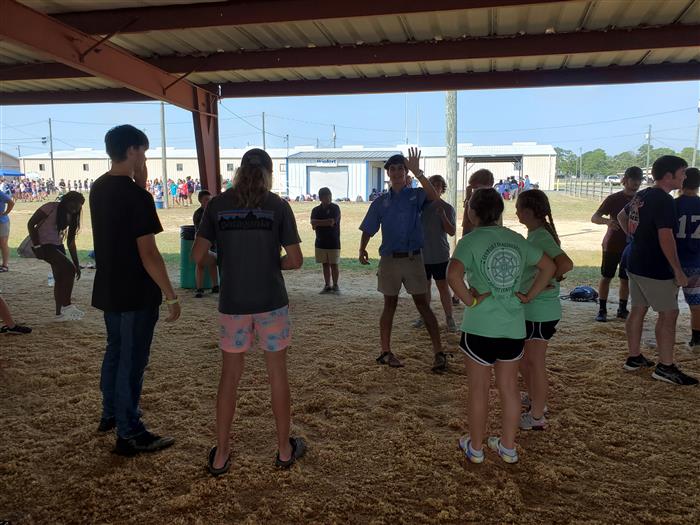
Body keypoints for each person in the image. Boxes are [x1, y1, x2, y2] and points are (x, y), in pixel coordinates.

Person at [193, 148, 306, 476]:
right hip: (271, 301)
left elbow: (198, 255)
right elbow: (295, 260)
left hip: (233, 304)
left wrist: (224, 262)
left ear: (240, 171)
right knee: (277, 375)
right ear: (268, 174)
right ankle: (283, 450)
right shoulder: (278, 206)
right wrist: (272, 264)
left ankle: (221, 454)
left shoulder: (217, 205)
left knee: (229, 377)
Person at [91, 124, 181, 455]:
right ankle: (130, 431)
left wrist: (139, 183)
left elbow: (120, 221)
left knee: (115, 351)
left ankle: (110, 413)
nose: (145, 157)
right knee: (132, 361)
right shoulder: (137, 197)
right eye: (143, 151)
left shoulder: (98, 187)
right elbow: (149, 253)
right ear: (132, 150)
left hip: (110, 287)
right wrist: (170, 295)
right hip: (136, 290)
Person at [448, 188, 555, 464]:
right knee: (509, 388)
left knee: (479, 389)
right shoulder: (516, 239)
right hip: (512, 327)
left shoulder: (470, 241)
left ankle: (476, 448)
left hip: (480, 327)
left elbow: (453, 274)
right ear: (500, 212)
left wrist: (470, 300)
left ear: (472, 212)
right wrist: (529, 295)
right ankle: (508, 447)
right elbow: (549, 267)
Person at [359, 149, 446, 372]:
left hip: (413, 258)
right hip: (389, 259)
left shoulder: (415, 195)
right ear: (387, 173)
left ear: (406, 173)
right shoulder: (380, 202)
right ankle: (385, 352)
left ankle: (439, 352)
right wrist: (362, 249)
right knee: (389, 305)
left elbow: (434, 197)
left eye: (401, 169)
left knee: (423, 305)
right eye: (393, 169)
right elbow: (369, 228)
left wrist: (419, 173)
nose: (397, 172)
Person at [617, 155, 698, 386]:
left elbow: (622, 216)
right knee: (669, 314)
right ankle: (665, 366)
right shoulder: (664, 200)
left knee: (638, 309)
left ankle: (634, 358)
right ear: (669, 176)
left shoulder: (643, 194)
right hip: (655, 267)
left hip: (635, 261)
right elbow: (666, 237)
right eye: (682, 172)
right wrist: (678, 270)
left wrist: (634, 238)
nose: (685, 176)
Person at [515, 190, 573, 431]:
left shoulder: (540, 236)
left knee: (535, 362)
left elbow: (565, 263)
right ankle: (535, 398)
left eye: (519, 208)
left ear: (529, 212)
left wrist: (545, 282)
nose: (516, 212)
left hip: (540, 310)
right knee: (525, 360)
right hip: (535, 309)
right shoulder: (537, 234)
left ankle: (538, 415)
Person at [591, 167, 644, 322]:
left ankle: (622, 308)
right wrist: (607, 221)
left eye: (639, 179)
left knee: (625, 278)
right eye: (633, 179)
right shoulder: (613, 199)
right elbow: (595, 217)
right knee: (606, 276)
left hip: (631, 245)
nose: (636, 183)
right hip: (612, 244)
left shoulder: (642, 200)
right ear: (625, 180)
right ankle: (602, 309)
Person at [27, 191, 85, 320]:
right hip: (44, 245)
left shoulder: (72, 216)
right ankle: (67, 306)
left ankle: (59, 314)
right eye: (73, 204)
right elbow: (31, 224)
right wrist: (37, 246)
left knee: (60, 278)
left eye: (78, 207)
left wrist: (77, 263)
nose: (75, 208)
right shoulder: (50, 207)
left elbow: (71, 242)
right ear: (66, 201)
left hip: (57, 245)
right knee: (69, 270)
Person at [412, 175, 458, 332]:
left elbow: (451, 231)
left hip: (440, 254)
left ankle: (449, 318)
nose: (435, 188)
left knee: (443, 287)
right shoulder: (419, 207)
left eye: (438, 185)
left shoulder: (447, 208)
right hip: (421, 255)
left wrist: (443, 216)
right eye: (432, 184)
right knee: (424, 288)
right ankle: (423, 317)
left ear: (442, 189)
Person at [674, 167, 700, 349]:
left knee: (669, 305)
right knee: (696, 305)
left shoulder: (673, 204)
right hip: (696, 262)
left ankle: (667, 336)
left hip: (673, 262)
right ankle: (696, 339)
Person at [310, 187, 341, 293]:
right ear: (321, 198)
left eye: (330, 196)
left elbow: (331, 222)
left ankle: (335, 285)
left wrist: (318, 222)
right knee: (325, 264)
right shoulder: (315, 210)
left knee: (334, 264)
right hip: (320, 241)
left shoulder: (335, 208)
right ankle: (327, 285)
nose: (329, 199)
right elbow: (313, 224)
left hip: (333, 241)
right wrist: (325, 222)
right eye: (326, 197)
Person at [192, 190, 219, 298]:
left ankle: (215, 285)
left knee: (213, 263)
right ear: (200, 201)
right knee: (200, 264)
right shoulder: (198, 214)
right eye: (206, 200)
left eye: (210, 199)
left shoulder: (212, 212)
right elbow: (202, 231)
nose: (209, 201)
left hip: (212, 242)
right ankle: (199, 288)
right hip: (203, 242)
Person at [462, 169, 498, 236]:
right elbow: (466, 227)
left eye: (476, 188)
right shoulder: (472, 199)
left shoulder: (491, 202)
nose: (475, 192)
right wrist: (468, 200)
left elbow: (469, 224)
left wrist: (469, 201)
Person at [0, 188, 14, 272]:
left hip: (2, 222)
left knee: (3, 243)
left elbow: (11, 202)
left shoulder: (0, 194)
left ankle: (5, 265)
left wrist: (5, 213)